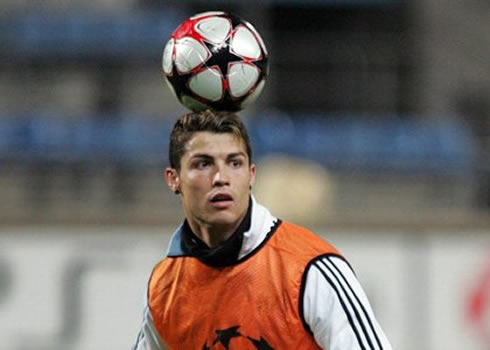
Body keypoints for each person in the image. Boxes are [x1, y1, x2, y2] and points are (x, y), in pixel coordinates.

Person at [132, 109, 392, 350]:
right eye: (203, 164)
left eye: (234, 163)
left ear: (251, 175)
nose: (221, 178)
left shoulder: (310, 269)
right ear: (173, 178)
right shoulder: (165, 287)